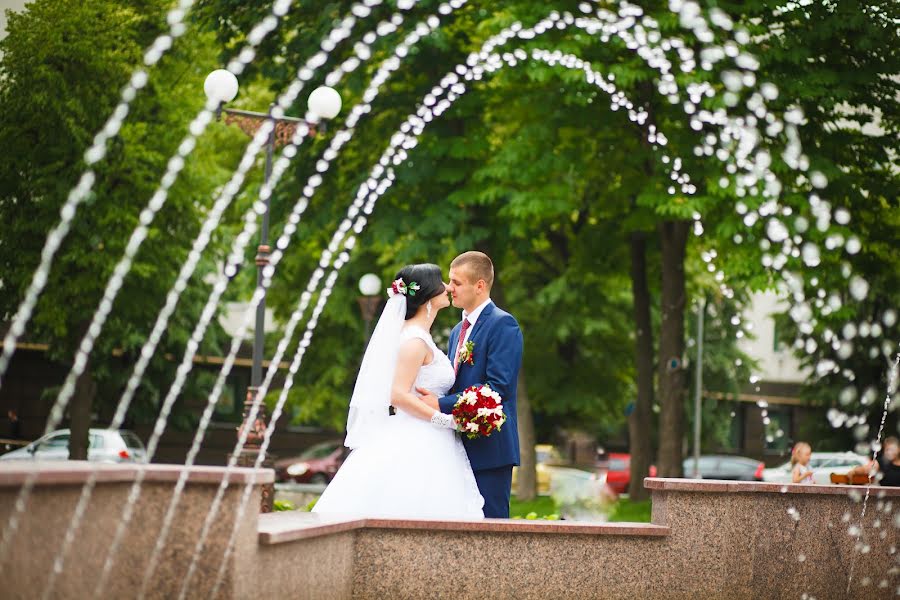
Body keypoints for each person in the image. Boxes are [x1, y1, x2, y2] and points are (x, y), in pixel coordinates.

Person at [312, 264, 484, 519]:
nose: (448, 287)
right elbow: (398, 395)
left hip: (429, 435)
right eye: (441, 282)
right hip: (421, 436)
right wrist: (445, 419)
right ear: (427, 294)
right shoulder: (414, 341)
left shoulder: (418, 336)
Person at [417, 251, 524, 518]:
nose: (448, 288)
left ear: (479, 285)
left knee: (491, 527)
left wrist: (439, 404)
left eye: (456, 282)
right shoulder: (456, 331)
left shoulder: (503, 324)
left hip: (490, 447)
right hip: (457, 444)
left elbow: (498, 389)